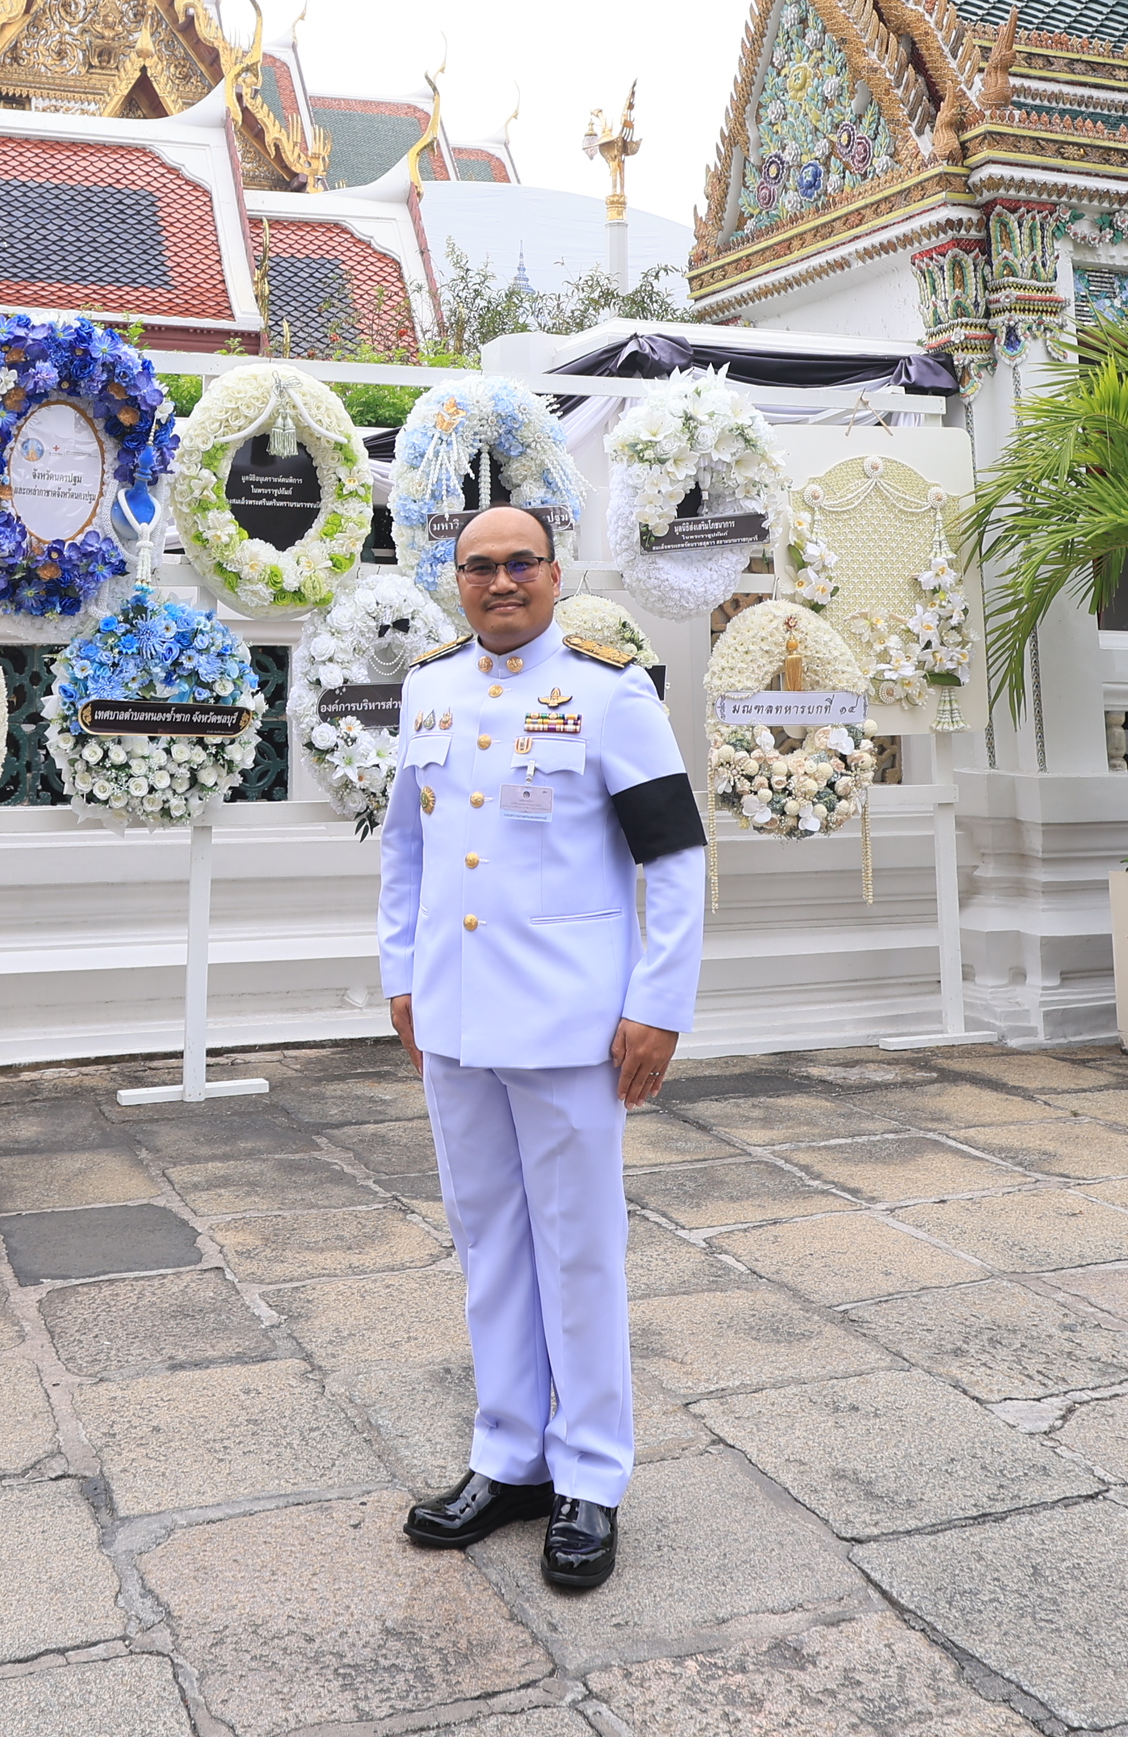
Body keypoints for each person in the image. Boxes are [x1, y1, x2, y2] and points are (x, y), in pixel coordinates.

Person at [380, 500, 705, 1593]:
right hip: (456, 1016)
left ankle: (592, 1477)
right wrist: (401, 974)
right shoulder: (429, 687)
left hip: (572, 1022)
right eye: (480, 566)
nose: (502, 581)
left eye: (522, 562)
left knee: (578, 1251)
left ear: (557, 575)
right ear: (457, 580)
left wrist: (659, 1003)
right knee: (488, 1243)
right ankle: (510, 1457)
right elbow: (407, 848)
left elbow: (676, 859)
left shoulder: (610, 693)